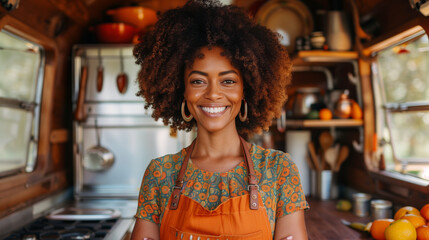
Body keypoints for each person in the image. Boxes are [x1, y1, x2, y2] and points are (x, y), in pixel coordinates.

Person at [131, 0, 309, 239]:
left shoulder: (278, 170)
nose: (213, 94)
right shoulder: (160, 174)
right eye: (198, 81)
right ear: (180, 90)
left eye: (228, 81)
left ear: (246, 90)